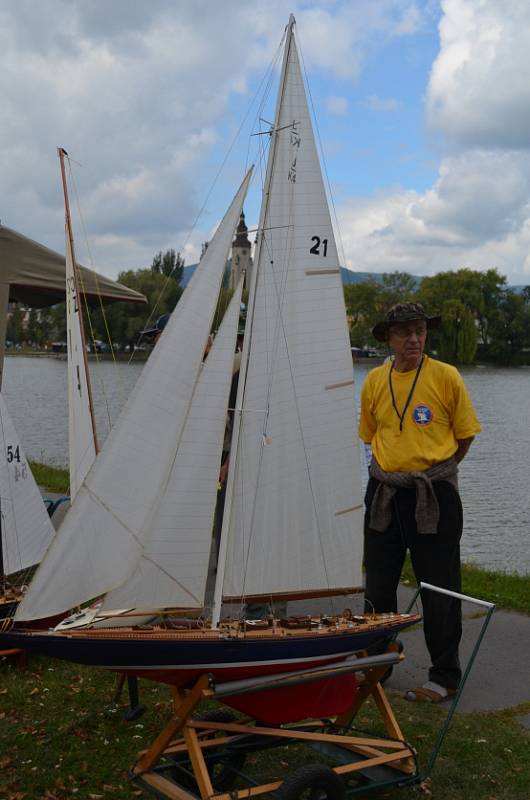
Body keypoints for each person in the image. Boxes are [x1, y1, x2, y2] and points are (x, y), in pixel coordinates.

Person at [359, 302, 481, 703]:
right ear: (389, 339)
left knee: (439, 586)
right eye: (404, 332)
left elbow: (464, 436)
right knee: (378, 583)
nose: (413, 338)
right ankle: (378, 660)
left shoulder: (446, 377)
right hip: (385, 491)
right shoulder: (375, 380)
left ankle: (444, 676)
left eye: (420, 331)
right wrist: (396, 471)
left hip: (433, 493)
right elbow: (370, 434)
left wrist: (433, 474)